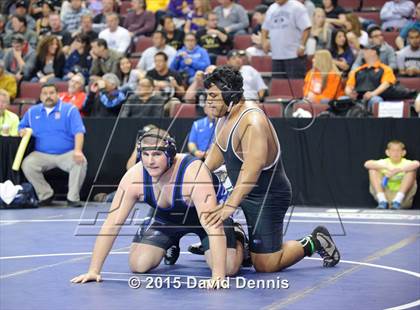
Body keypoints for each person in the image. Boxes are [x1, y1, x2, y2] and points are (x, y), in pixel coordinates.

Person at [202, 66, 340, 272]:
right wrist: (194, 178)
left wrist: (229, 206)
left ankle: (315, 241)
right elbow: (216, 152)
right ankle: (242, 238)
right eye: (207, 95)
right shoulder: (225, 115)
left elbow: (252, 171)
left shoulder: (252, 122)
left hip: (266, 197)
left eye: (213, 95)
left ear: (230, 94)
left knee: (266, 265)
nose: (208, 101)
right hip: (243, 191)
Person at [70, 128, 245, 288]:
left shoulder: (192, 172)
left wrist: (218, 276)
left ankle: (237, 236)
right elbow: (112, 223)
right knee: (139, 265)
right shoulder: (134, 176)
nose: (150, 161)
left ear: (170, 154)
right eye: (145, 154)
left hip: (205, 219)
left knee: (227, 268)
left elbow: (212, 226)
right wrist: (94, 270)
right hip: (166, 219)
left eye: (157, 154)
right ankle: (170, 242)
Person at [18, 83, 87, 207]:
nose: (48, 96)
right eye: (45, 93)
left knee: (80, 161)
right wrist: (21, 131)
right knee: (27, 164)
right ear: (40, 96)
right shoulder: (32, 112)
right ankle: (45, 194)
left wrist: (78, 150)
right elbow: (21, 126)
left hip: (66, 153)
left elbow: (79, 132)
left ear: (57, 95)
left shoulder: (70, 109)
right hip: (42, 154)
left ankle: (73, 198)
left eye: (51, 93)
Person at [261, 0, 312, 79]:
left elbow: (307, 28)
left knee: (295, 87)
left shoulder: (297, 7)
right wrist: (264, 41)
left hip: (294, 56)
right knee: (279, 87)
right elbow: (264, 28)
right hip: (276, 56)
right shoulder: (271, 8)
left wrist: (302, 46)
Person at [364, 140, 419, 209]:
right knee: (372, 169)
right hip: (386, 196)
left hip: (402, 199)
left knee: (411, 170)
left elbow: (417, 164)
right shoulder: (384, 162)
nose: (395, 153)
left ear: (403, 153)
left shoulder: (406, 163)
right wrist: (387, 168)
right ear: (387, 152)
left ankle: (397, 200)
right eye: (393, 151)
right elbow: (367, 164)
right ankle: (382, 200)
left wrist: (398, 170)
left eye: (398, 151)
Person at [345, 44, 397, 110]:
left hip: (375, 96)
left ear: (374, 52)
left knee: (376, 100)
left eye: (366, 50)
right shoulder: (357, 70)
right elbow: (349, 86)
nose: (363, 51)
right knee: (342, 99)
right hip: (358, 97)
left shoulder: (386, 69)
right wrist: (349, 93)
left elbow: (386, 84)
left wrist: (373, 93)